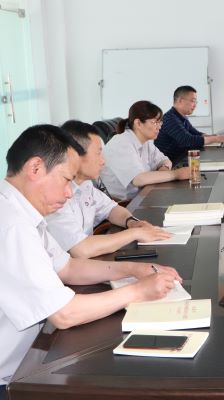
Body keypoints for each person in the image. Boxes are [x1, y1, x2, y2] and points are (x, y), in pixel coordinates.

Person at [0, 125, 182, 398]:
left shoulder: (22, 212)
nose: (69, 193)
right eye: (65, 180)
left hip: (28, 356)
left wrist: (133, 269)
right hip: (12, 377)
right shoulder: (12, 224)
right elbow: (64, 314)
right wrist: (138, 291)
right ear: (35, 168)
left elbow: (68, 267)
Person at [45, 120, 172, 258]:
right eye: (98, 153)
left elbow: (111, 209)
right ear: (74, 155)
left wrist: (133, 223)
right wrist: (134, 233)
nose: (103, 161)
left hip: (87, 263)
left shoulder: (85, 184)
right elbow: (81, 249)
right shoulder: (55, 195)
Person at [100, 100, 190, 200]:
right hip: (124, 203)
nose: (159, 127)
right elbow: (139, 179)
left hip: (143, 196)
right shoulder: (121, 143)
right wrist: (176, 174)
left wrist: (164, 169)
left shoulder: (146, 141)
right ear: (138, 123)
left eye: (160, 122)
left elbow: (164, 160)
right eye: (154, 122)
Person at [154, 85, 224, 165]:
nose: (195, 105)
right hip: (168, 165)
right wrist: (216, 139)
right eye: (192, 101)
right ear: (180, 100)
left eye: (195, 102)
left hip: (180, 159)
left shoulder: (181, 116)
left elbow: (196, 133)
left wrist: (214, 136)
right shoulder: (170, 118)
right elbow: (187, 140)